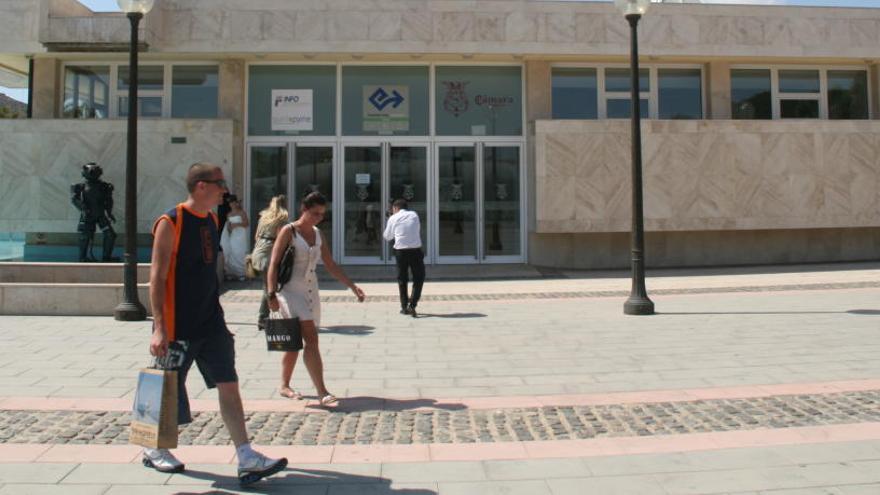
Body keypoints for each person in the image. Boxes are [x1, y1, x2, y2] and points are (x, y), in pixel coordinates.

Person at [146, 162, 287, 485]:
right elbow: (157, 276)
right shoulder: (171, 221)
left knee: (229, 384)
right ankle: (155, 448)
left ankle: (246, 455)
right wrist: (159, 326)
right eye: (219, 183)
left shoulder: (211, 219)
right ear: (200, 186)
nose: (225, 189)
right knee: (167, 388)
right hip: (176, 322)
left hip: (211, 321)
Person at [266, 191, 366, 404]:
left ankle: (284, 385)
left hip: (311, 291)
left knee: (293, 343)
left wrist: (352, 286)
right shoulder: (288, 231)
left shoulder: (319, 234)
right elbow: (273, 264)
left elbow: (330, 264)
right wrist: (271, 294)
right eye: (314, 213)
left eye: (322, 214)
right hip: (290, 291)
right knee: (311, 338)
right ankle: (322, 391)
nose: (318, 217)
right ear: (304, 209)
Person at [251, 195, 288, 330]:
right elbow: (281, 238)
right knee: (269, 287)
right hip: (268, 255)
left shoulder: (264, 217)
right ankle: (263, 318)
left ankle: (265, 317)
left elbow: (256, 236)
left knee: (267, 286)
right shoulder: (281, 219)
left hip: (258, 253)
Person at [384, 198, 425, 318]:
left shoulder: (393, 218)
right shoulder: (414, 215)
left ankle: (404, 306)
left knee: (402, 279)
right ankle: (412, 305)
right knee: (419, 277)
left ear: (395, 208)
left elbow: (387, 237)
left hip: (401, 252)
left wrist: (390, 219)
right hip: (416, 251)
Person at [220, 195, 249, 281]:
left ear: (236, 203)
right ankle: (232, 272)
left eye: (233, 202)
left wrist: (237, 225)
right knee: (232, 252)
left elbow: (247, 223)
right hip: (233, 236)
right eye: (230, 203)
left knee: (240, 252)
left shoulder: (242, 212)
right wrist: (229, 228)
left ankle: (241, 273)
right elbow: (228, 227)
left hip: (241, 235)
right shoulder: (228, 214)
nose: (231, 204)